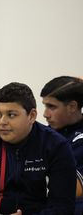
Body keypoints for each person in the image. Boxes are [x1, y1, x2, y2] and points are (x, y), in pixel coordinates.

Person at [0, 82, 76, 215]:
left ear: (31, 116)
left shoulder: (56, 145)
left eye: (11, 115)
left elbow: (63, 206)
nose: (2, 122)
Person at [41, 76, 83, 214]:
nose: (45, 114)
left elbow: (74, 188)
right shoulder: (42, 134)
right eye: (45, 105)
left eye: (51, 107)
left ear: (72, 107)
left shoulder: (80, 140)